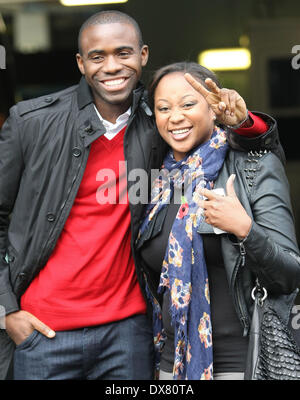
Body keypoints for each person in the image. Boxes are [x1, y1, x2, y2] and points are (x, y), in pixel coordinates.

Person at [0, 11, 283, 380]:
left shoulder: (158, 121)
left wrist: (244, 123)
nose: (112, 66)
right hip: (43, 332)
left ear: (143, 55)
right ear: (80, 63)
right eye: (97, 56)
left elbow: (246, 154)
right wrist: (6, 311)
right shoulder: (31, 123)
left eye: (124, 53)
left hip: (129, 332)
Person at [136, 62, 300, 380]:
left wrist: (244, 230)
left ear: (214, 110)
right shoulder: (154, 181)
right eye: (163, 108)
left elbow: (290, 274)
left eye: (188, 104)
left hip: (241, 364)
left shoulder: (253, 167)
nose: (175, 117)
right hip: (171, 365)